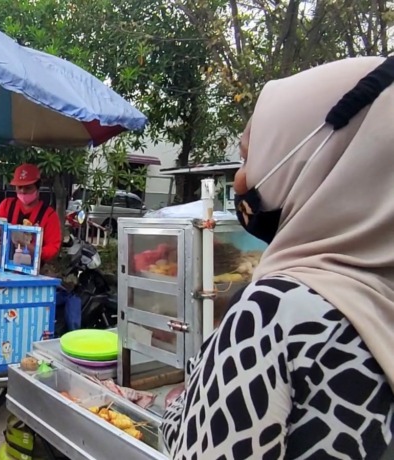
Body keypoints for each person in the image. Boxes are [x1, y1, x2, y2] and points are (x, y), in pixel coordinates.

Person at [162, 56, 394, 459]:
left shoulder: (273, 311)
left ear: (313, 163)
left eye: (251, 156)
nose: (240, 180)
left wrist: (185, 408)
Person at [0, 163, 61, 264]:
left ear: (37, 187)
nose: (23, 191)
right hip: (3, 263)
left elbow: (53, 248)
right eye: (19, 187)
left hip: (33, 268)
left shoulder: (49, 215)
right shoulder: (6, 205)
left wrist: (33, 250)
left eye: (28, 187)